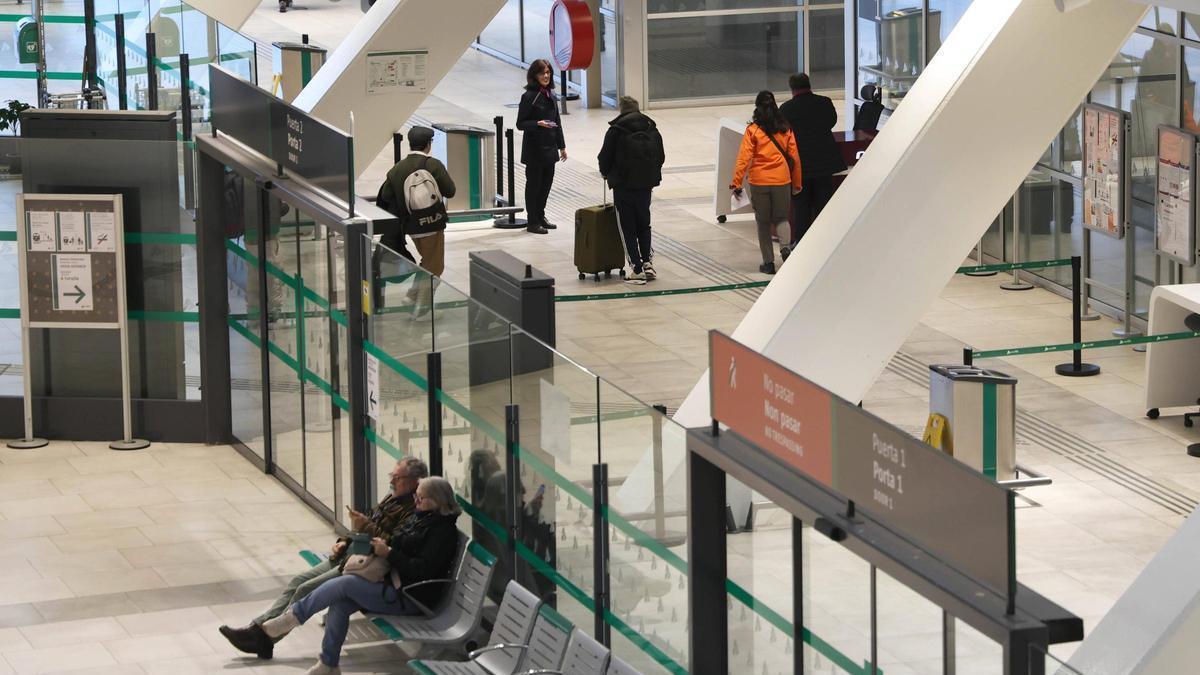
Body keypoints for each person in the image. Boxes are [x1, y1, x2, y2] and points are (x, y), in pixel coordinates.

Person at [238, 477, 462, 675]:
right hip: (393, 583)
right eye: (416, 496)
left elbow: (421, 571)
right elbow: (401, 543)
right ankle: (328, 664)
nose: (416, 501)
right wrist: (382, 545)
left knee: (344, 584)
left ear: (437, 502)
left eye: (421, 498)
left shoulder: (442, 533)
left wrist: (390, 553)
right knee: (341, 603)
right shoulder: (422, 519)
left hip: (411, 596)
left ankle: (291, 619)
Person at [217, 457, 428, 659]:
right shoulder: (392, 498)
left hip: (362, 565)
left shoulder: (412, 510)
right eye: (392, 475)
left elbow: (392, 543)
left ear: (414, 482)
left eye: (398, 478)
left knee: (304, 589)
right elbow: (367, 524)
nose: (392, 481)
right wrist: (344, 540)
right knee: (297, 582)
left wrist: (365, 526)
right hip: (350, 553)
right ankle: (258, 629)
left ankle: (263, 639)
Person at [730, 90, 803, 275]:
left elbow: (743, 158)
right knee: (781, 218)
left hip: (759, 181)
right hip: (782, 180)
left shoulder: (753, 130)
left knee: (763, 222)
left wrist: (736, 182)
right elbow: (794, 156)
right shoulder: (786, 129)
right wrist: (797, 183)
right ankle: (785, 249)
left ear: (757, 108)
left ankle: (768, 263)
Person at [597, 95, 665, 285]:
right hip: (646, 185)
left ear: (621, 110)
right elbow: (661, 156)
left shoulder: (616, 130)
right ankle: (647, 264)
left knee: (627, 227)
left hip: (623, 186)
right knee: (644, 224)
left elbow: (604, 157)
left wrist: (605, 173)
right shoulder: (652, 128)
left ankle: (635, 269)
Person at [779, 72, 846, 247]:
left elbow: (782, 134)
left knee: (801, 207)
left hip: (801, 167)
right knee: (823, 205)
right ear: (809, 85)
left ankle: (802, 243)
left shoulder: (786, 109)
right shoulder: (824, 103)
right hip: (824, 163)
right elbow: (831, 122)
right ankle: (825, 242)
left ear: (792, 89)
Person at [516, 59, 567, 235]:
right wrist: (537, 123)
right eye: (542, 73)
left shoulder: (550, 95)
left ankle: (540, 215)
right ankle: (532, 221)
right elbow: (520, 123)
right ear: (534, 75)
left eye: (548, 72)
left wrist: (562, 146)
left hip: (549, 149)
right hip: (535, 150)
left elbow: (557, 122)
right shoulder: (529, 97)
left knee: (546, 186)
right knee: (534, 186)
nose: (546, 76)